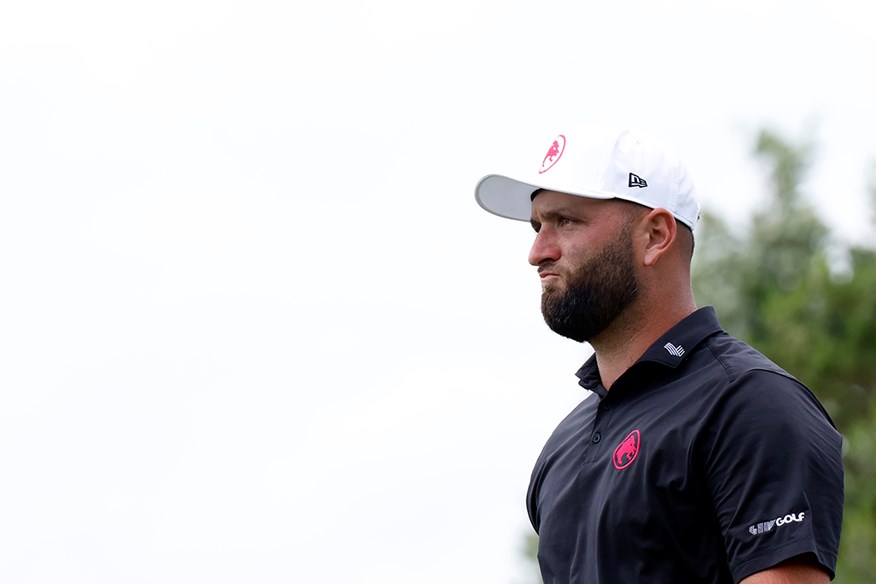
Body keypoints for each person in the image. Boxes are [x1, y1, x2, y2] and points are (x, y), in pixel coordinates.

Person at [474, 126, 844, 583]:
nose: (537, 252)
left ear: (655, 235)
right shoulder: (561, 448)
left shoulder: (750, 405)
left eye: (565, 221)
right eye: (537, 226)